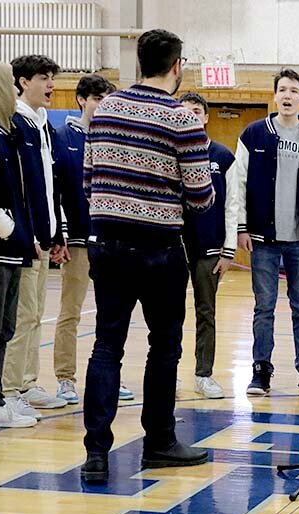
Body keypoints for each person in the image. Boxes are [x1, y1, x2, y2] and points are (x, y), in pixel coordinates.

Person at [81, 29, 214, 482]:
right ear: (177, 66)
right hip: (159, 248)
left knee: (106, 346)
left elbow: (88, 178)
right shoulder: (182, 118)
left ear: (139, 61)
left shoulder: (105, 110)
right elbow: (200, 196)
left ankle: (96, 453)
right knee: (164, 347)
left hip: (107, 244)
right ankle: (159, 441)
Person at [227, 68, 299, 396]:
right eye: (282, 90)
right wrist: (241, 227)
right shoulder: (254, 133)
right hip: (263, 239)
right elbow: (238, 182)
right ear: (275, 95)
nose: (287, 96)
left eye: (293, 91)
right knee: (264, 306)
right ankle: (261, 370)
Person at [51, 74, 132, 405]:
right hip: (79, 241)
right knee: (70, 311)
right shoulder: (62, 137)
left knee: (113, 312)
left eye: (107, 99)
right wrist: (63, 234)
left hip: (111, 241)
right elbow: (56, 191)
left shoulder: (115, 139)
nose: (102, 105)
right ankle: (65, 379)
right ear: (82, 99)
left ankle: (111, 375)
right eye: (97, 98)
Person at [2, 54, 67, 417]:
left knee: (35, 313)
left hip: (44, 235)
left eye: (52, 78)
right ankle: (8, 390)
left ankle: (26, 381)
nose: (51, 85)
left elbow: (48, 186)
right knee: (22, 314)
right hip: (24, 238)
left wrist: (56, 232)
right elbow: (18, 189)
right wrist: (28, 233)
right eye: (44, 78)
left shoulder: (42, 124)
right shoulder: (15, 124)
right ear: (23, 82)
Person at [0, 60, 38, 439]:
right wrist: (13, 231)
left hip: (8, 249)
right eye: (9, 86)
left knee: (3, 328)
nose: (16, 94)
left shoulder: (5, 132)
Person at [179, 92, 235, 399]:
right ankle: (168, 373)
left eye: (196, 111)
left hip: (209, 248)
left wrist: (228, 251)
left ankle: (204, 374)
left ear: (205, 117)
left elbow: (233, 205)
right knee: (169, 314)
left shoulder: (223, 156)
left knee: (206, 312)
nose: (191, 115)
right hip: (172, 246)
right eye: (184, 111)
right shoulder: (167, 152)